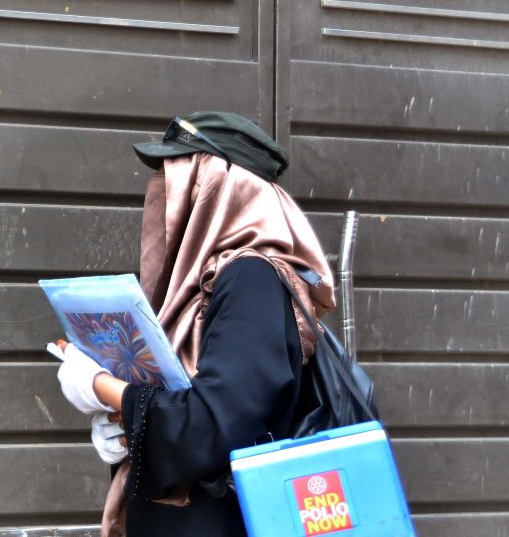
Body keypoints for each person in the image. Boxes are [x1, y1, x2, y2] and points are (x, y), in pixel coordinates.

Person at [55, 111, 336, 536]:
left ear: (217, 190)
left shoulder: (251, 278)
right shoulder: (213, 278)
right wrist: (126, 423)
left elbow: (213, 425)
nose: (163, 192)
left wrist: (100, 387)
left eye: (177, 177)